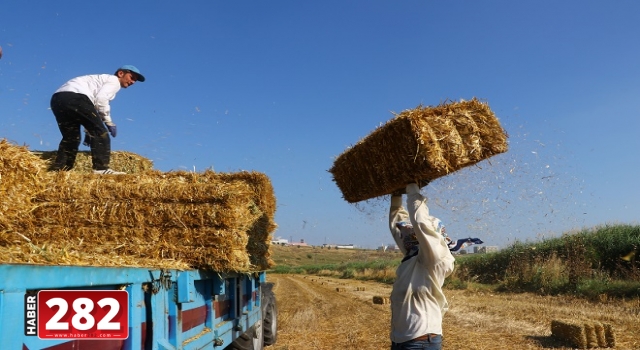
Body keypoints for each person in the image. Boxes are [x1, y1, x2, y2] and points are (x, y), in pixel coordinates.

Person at [388, 182, 456, 350]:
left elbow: (421, 223)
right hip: (401, 339)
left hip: (420, 341)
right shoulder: (413, 255)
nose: (410, 235)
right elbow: (398, 227)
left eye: (415, 234)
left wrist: (412, 187)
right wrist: (396, 196)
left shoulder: (434, 258)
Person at [49, 65, 145, 175]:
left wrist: (88, 130)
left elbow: (90, 110)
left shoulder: (99, 81)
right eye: (131, 77)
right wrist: (108, 122)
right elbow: (101, 99)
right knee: (100, 132)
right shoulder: (114, 81)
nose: (133, 82)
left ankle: (60, 171)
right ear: (121, 74)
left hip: (58, 99)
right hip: (76, 97)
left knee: (71, 138)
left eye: (135, 80)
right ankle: (101, 168)